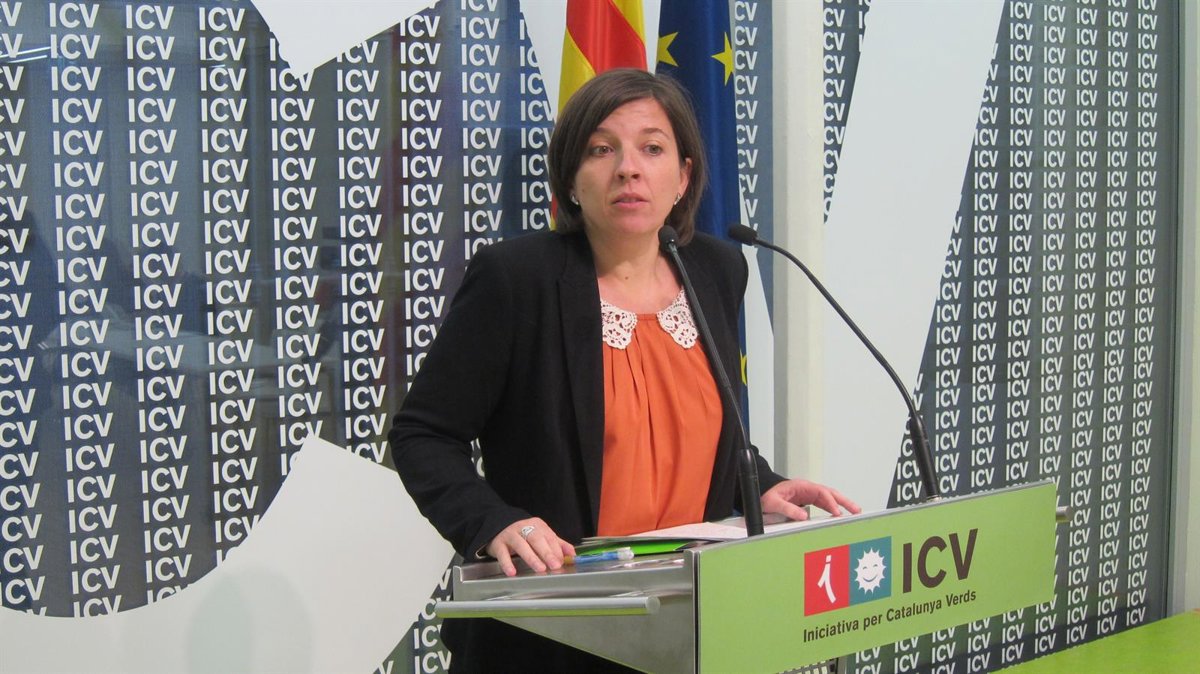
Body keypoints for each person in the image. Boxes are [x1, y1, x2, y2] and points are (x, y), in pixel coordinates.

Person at [389, 68, 860, 673]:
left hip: (690, 620)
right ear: (571, 180)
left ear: (683, 177)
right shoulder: (516, 279)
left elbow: (685, 425)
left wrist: (757, 483)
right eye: (600, 149)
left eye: (652, 148)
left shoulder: (717, 270)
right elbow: (423, 434)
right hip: (554, 628)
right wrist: (492, 522)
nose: (628, 169)